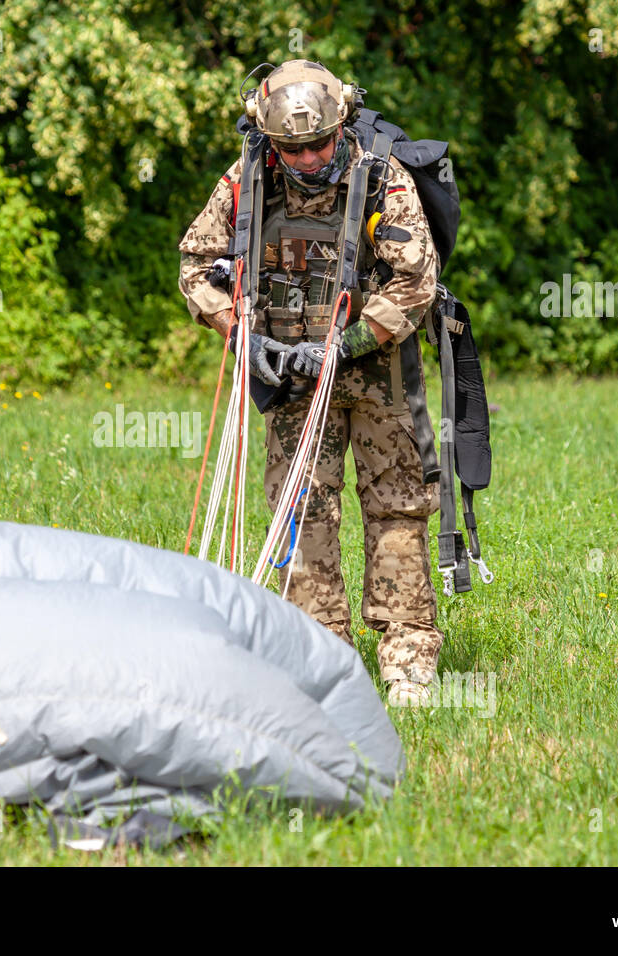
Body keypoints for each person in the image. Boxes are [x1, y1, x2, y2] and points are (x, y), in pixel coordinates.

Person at [177, 59, 443, 707]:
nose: (306, 157)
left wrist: (347, 347)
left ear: (342, 126)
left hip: (377, 371)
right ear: (270, 138)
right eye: (292, 148)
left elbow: (417, 281)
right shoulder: (248, 181)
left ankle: (408, 654)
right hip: (290, 377)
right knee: (302, 512)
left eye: (319, 143)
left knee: (398, 507)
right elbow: (194, 265)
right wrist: (240, 334)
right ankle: (322, 660)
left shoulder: (380, 177)